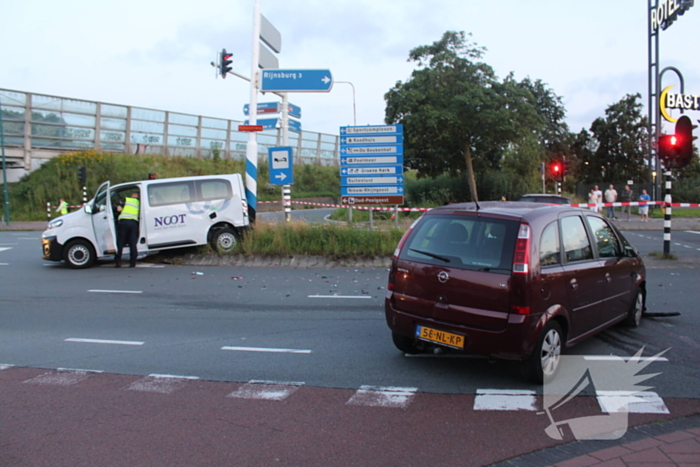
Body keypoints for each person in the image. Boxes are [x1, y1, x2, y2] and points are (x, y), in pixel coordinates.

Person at [115, 192, 140, 268]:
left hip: (124, 222)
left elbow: (119, 209)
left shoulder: (126, 200)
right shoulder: (139, 202)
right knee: (133, 243)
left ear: (133, 195)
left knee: (120, 242)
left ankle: (118, 262)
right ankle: (132, 263)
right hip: (133, 223)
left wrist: (115, 207)